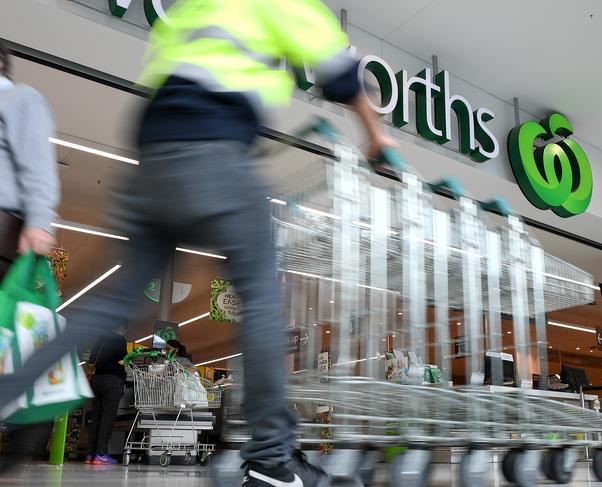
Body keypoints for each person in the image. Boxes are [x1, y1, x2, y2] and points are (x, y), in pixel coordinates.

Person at [0, 2, 395, 486]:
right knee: (263, 297)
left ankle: (9, 392)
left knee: (116, 298)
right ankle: (273, 460)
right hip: (216, 144)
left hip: (154, 152)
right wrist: (376, 137)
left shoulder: (194, 9)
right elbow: (340, 74)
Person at [0, 39, 58, 469]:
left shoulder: (19, 98)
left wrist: (39, 221)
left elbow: (37, 162)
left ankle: (28, 423)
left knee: (11, 340)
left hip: (5, 229)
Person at [85, 327, 127, 465]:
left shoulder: (99, 340)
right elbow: (121, 360)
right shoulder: (119, 340)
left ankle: (90, 454)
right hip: (113, 379)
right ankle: (101, 454)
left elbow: (91, 360)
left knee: (96, 417)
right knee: (107, 417)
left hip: (97, 379)